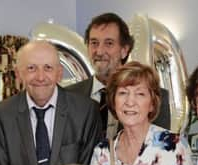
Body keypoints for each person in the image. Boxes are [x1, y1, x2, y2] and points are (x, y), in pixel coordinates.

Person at [66, 12, 170, 140]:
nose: (99, 51)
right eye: (94, 43)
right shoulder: (68, 96)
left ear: (124, 50)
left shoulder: (154, 97)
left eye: (109, 43)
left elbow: (160, 149)